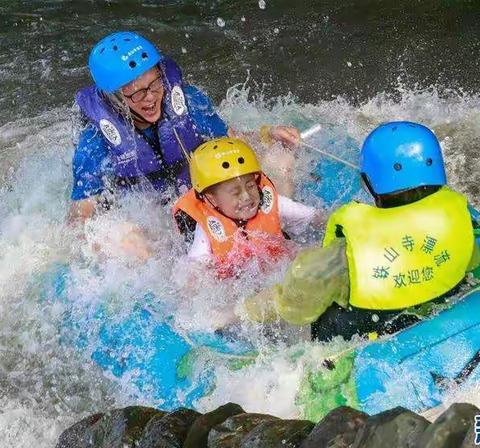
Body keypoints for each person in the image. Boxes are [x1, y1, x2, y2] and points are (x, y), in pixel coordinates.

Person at [241, 121, 480, 340]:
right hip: (444, 303)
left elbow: (294, 308)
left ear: (367, 184)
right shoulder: (461, 213)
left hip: (369, 333)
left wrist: (244, 309)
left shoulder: (344, 254)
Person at [68, 31, 301, 225]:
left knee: (281, 159)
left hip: (197, 196)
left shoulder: (188, 103)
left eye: (155, 83)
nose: (150, 98)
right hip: (147, 219)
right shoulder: (94, 143)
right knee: (121, 237)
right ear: (115, 98)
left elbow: (232, 140)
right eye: (137, 93)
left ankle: (281, 232)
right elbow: (81, 217)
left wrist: (268, 135)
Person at [173, 137, 325, 278]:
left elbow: (316, 218)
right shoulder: (206, 229)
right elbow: (194, 273)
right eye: (235, 192)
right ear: (212, 198)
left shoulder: (272, 203)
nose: (246, 196)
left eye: (251, 186)